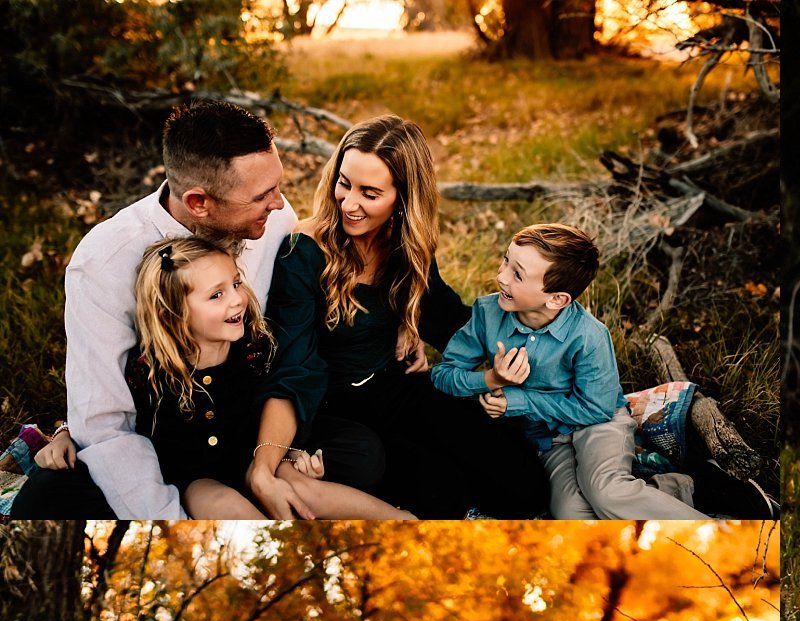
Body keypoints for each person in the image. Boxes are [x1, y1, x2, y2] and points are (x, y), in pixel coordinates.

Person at [14, 99, 294, 518]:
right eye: (261, 195)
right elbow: (106, 424)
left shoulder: (275, 221)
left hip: (246, 429)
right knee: (46, 500)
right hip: (161, 441)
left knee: (361, 457)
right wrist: (169, 520)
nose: (279, 203)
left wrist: (273, 456)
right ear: (199, 202)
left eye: (277, 186)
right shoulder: (105, 262)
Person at [258, 114, 549, 517]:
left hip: (395, 384)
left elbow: (449, 320)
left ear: (403, 198)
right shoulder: (303, 252)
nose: (349, 203)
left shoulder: (404, 246)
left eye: (370, 193)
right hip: (328, 407)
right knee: (442, 493)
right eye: (344, 183)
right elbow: (295, 366)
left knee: (524, 483)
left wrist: (540, 342)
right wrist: (268, 460)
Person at [48, 238, 403, 517]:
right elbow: (114, 421)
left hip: (254, 460)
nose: (237, 300)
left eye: (236, 283)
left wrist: (294, 453)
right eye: (217, 295)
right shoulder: (150, 372)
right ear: (173, 313)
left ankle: (403, 521)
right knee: (221, 503)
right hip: (195, 478)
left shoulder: (255, 349)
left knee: (300, 484)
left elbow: (273, 407)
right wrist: (67, 435)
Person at [431, 223, 703, 519]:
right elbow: (442, 374)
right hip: (546, 437)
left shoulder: (589, 336)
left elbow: (596, 410)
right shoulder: (488, 313)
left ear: (557, 298)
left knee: (605, 491)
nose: (501, 276)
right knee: (570, 513)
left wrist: (519, 401)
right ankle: (670, 487)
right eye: (506, 260)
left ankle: (716, 533)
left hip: (597, 424)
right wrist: (490, 379)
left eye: (517, 274)